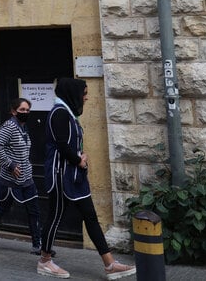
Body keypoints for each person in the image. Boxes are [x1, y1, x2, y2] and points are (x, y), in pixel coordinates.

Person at [37, 78, 134, 279]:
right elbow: (62, 146)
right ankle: (44, 261)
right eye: (84, 93)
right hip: (61, 175)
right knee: (55, 217)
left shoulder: (68, 114)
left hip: (75, 176)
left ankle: (109, 264)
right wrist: (78, 160)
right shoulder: (59, 113)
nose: (87, 97)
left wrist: (80, 158)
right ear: (73, 94)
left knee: (90, 217)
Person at [0, 97, 42, 253]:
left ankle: (38, 245)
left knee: (34, 210)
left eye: (28, 110)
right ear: (14, 111)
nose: (26, 112)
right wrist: (11, 165)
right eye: (22, 110)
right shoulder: (9, 126)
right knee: (1, 210)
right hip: (9, 180)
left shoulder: (23, 126)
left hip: (27, 178)